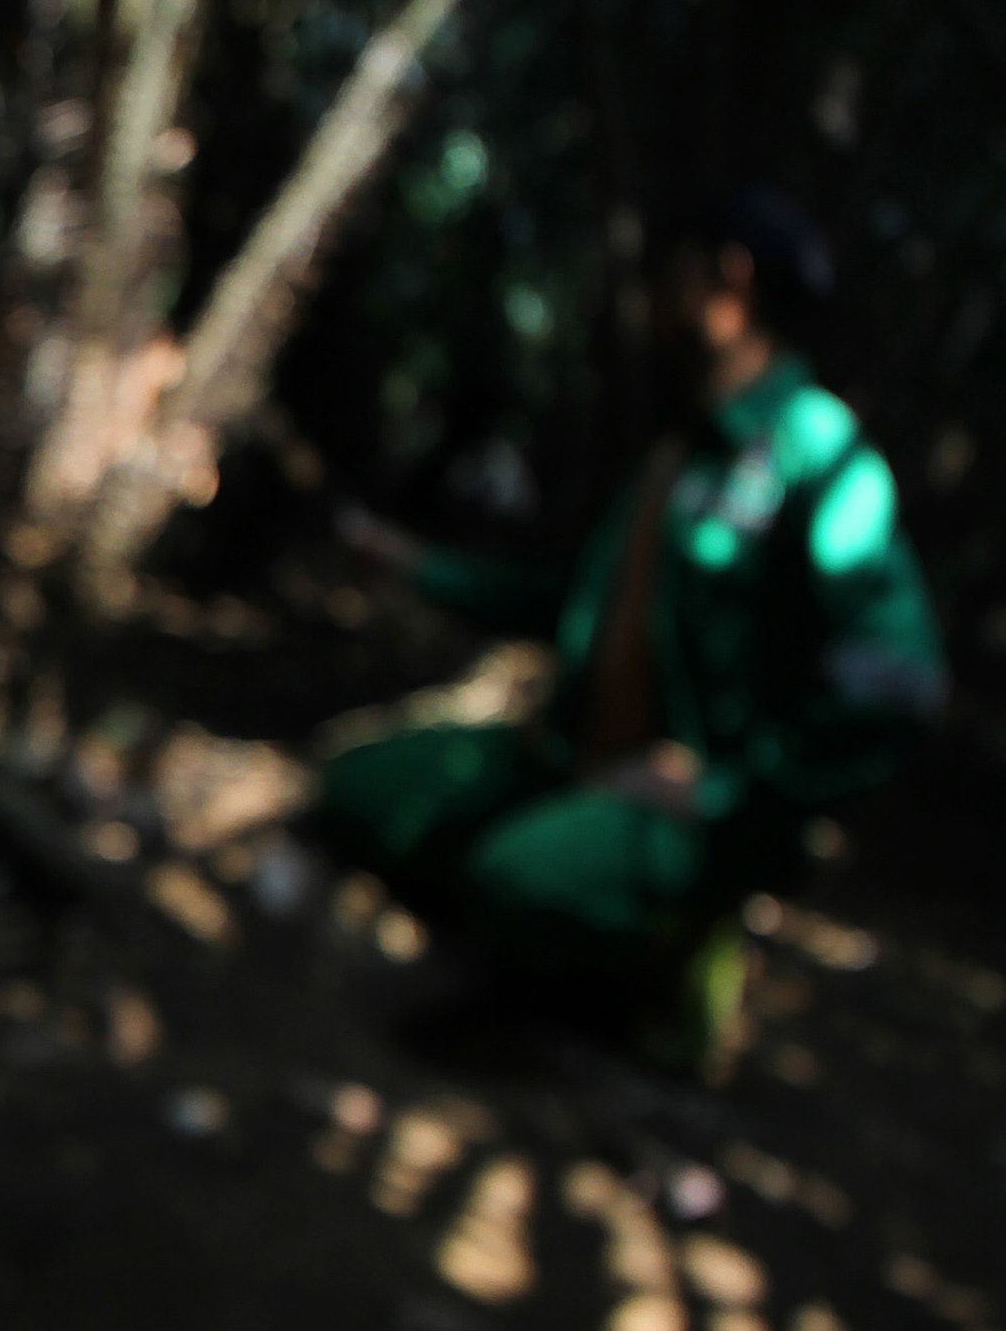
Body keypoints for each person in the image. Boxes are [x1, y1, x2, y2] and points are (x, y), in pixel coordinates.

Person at [318, 185, 946, 1068]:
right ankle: (557, 889)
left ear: (726, 281)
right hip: (572, 754)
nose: (650, 297)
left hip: (686, 802)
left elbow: (900, 680)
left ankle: (655, 976)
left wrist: (733, 789)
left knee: (514, 881)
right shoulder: (677, 449)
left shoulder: (814, 449)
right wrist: (412, 566)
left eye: (669, 275)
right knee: (358, 793)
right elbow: (567, 601)